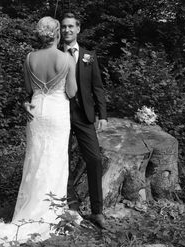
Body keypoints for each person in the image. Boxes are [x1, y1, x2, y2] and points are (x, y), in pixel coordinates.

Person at [0, 16, 81, 247]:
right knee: (55, 161)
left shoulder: (30, 57)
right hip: (57, 112)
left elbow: (29, 89)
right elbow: (72, 93)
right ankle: (51, 212)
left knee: (34, 160)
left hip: (36, 113)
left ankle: (28, 210)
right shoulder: (66, 58)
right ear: (57, 35)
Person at [60, 13, 108, 229]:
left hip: (85, 116)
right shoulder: (55, 53)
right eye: (63, 27)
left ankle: (98, 212)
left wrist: (103, 115)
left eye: (71, 26)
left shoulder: (89, 56)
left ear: (78, 29)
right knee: (63, 161)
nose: (67, 30)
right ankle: (69, 206)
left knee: (95, 159)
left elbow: (97, 87)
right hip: (60, 114)